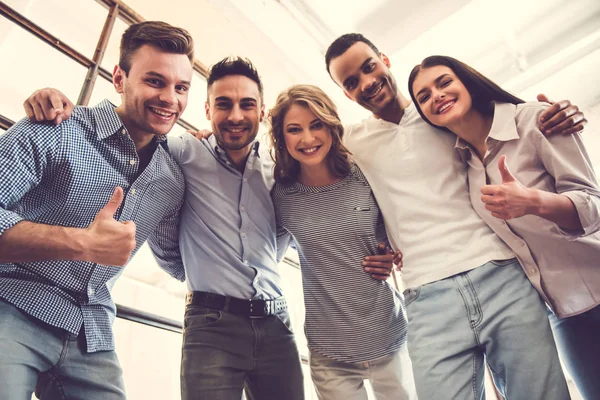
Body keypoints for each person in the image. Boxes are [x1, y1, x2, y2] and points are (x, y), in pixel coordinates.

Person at [323, 33, 587, 399]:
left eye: (370, 67)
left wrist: (559, 113)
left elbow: (509, 124)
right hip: (426, 297)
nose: (367, 82)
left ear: (384, 58)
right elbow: (299, 161)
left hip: (502, 274)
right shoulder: (351, 142)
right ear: (346, 94)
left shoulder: (443, 113)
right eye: (351, 82)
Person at [0, 21, 194, 400]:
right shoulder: (54, 128)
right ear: (119, 78)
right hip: (13, 304)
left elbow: (179, 262)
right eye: (155, 81)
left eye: (181, 87)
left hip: (91, 331)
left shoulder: (172, 178)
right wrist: (81, 243)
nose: (170, 98)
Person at [408, 55, 600, 400]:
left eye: (444, 82)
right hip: (562, 311)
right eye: (423, 96)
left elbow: (594, 206)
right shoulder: (463, 164)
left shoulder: (536, 120)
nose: (435, 95)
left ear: (467, 81)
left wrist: (534, 201)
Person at [269, 84, 417, 400]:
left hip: (388, 336)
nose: (307, 139)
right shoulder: (280, 194)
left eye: (316, 124)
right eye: (294, 130)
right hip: (329, 353)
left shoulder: (363, 174)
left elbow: (397, 227)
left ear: (331, 124)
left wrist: (391, 253)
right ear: (282, 138)